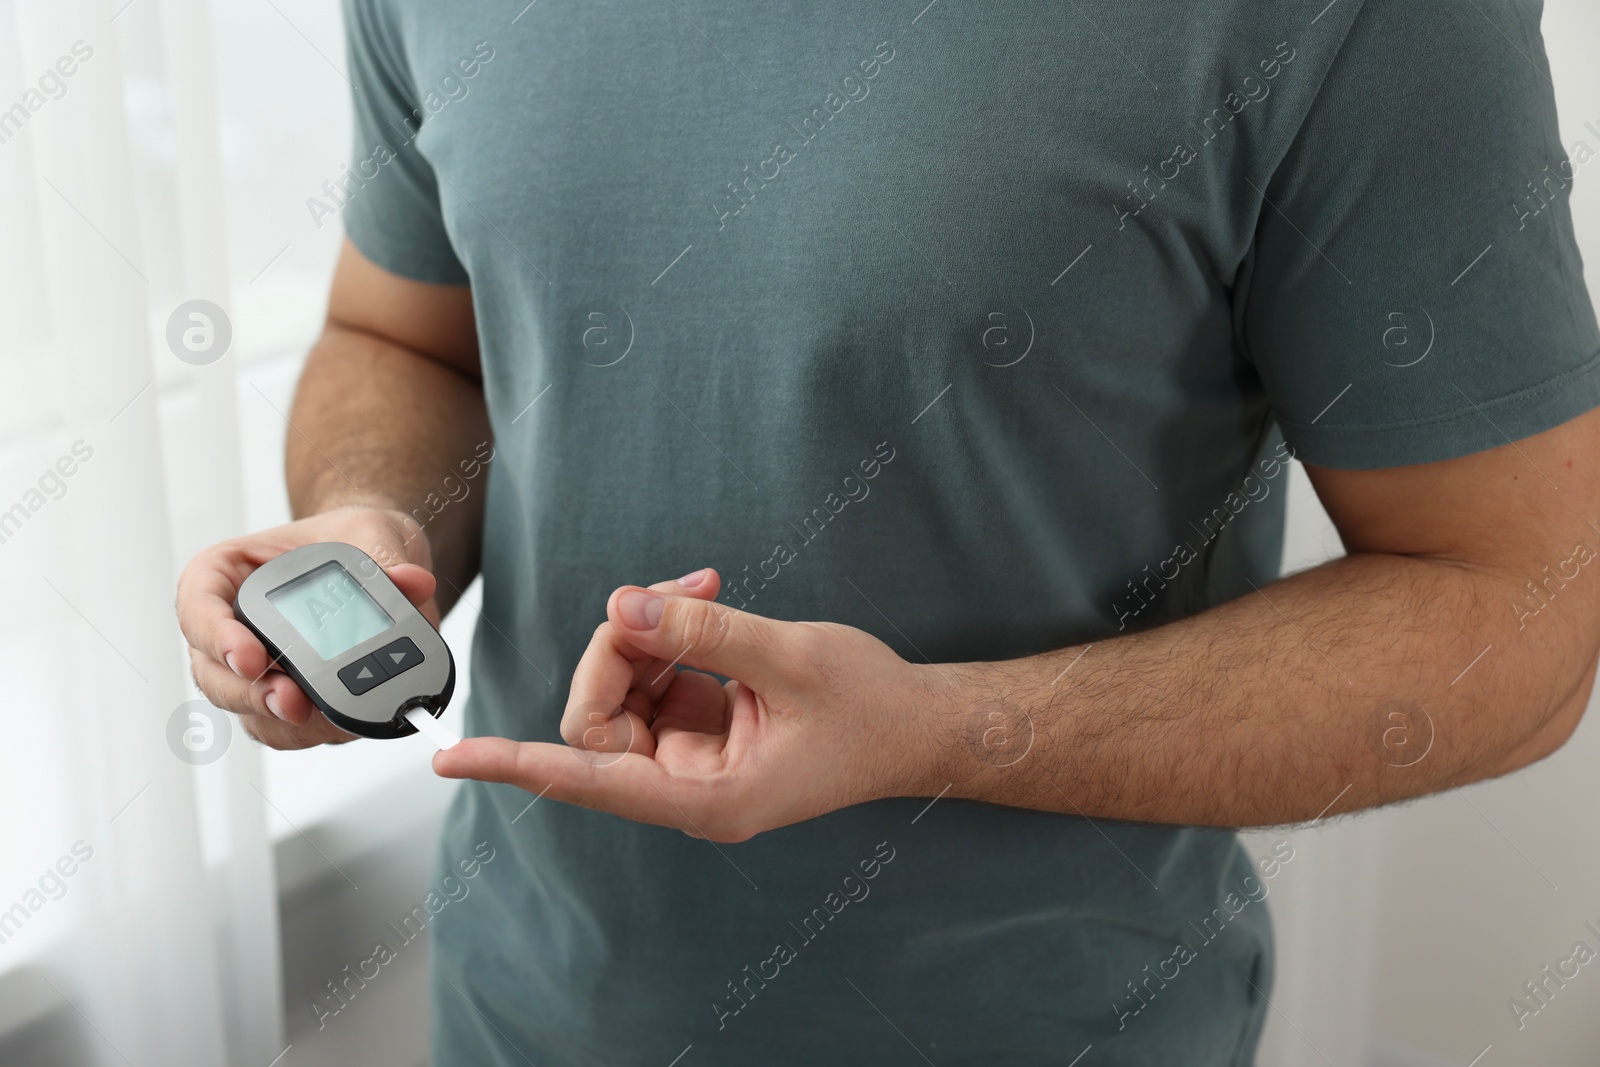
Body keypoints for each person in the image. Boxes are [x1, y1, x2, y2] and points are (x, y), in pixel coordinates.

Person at [177, 0, 1600, 1062]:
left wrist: (935, 731)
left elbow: (1523, 606)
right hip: (520, 1016)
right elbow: (405, 339)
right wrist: (366, 529)